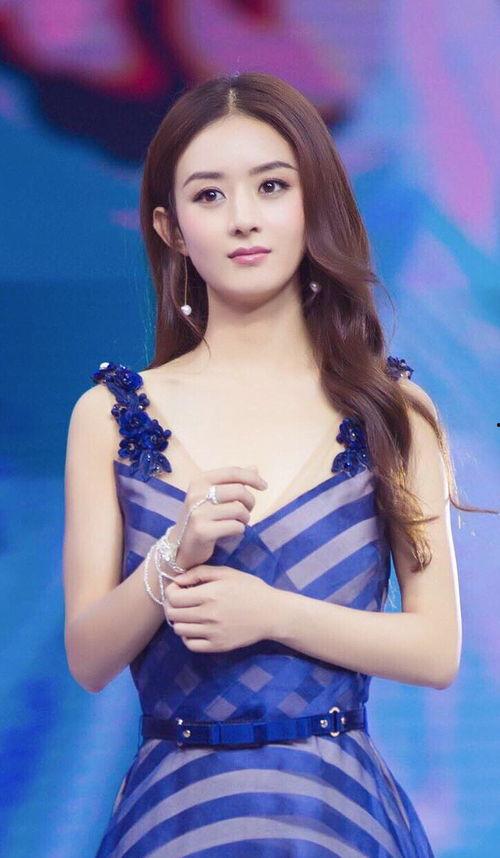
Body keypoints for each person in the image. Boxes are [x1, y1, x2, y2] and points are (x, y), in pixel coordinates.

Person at [63, 71, 490, 857]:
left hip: (340, 819)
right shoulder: (109, 416)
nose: (244, 218)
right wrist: (170, 557)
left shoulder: (393, 410)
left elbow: (435, 650)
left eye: (271, 185)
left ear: (311, 200)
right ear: (169, 227)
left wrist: (273, 614)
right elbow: (88, 657)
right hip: (174, 819)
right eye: (209, 195)